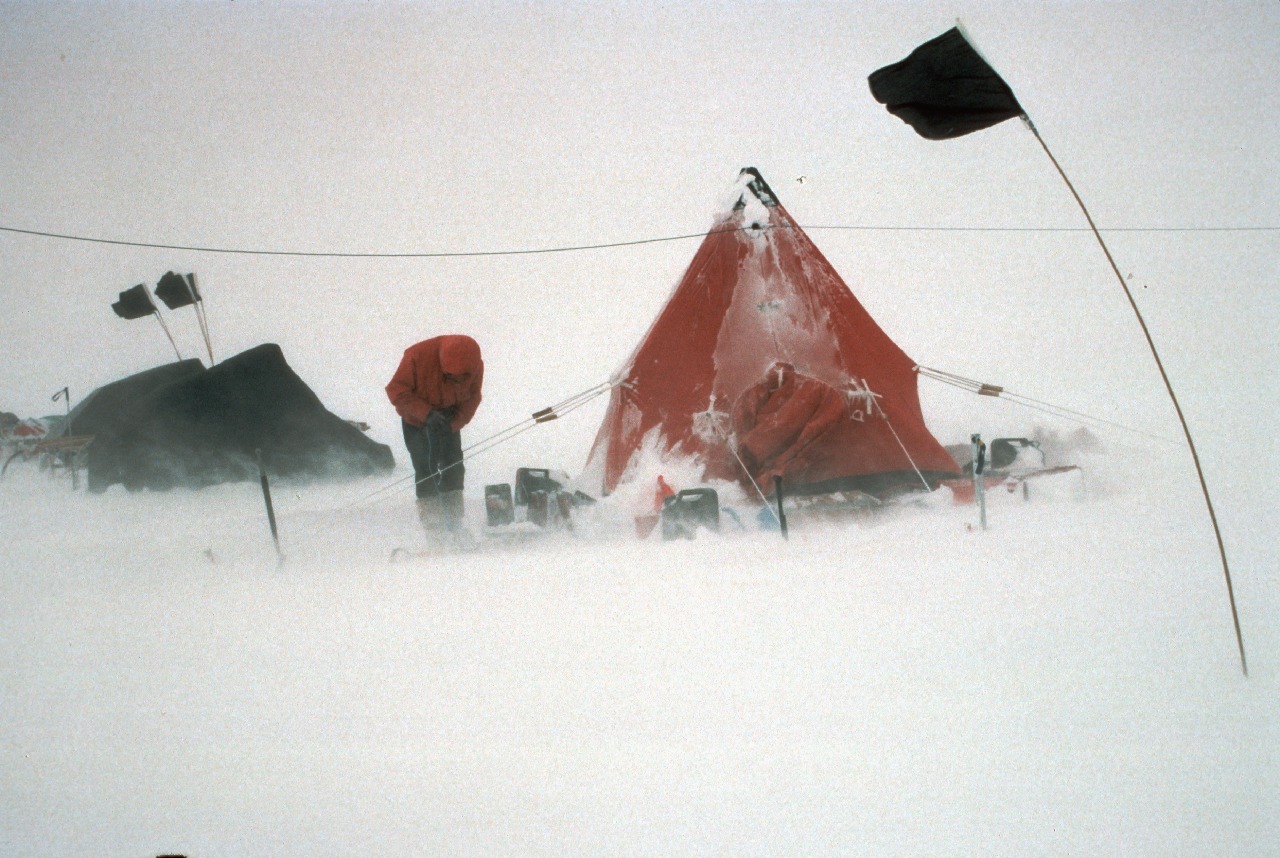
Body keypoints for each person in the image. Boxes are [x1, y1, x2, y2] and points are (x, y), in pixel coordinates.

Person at [385, 335, 484, 535]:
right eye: (449, 376)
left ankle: (455, 522)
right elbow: (396, 391)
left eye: (461, 378)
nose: (456, 381)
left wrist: (455, 424)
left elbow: (473, 397)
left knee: (454, 466)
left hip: (448, 420)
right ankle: (433, 525)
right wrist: (426, 414)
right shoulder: (416, 356)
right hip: (416, 418)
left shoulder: (474, 365)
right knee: (425, 468)